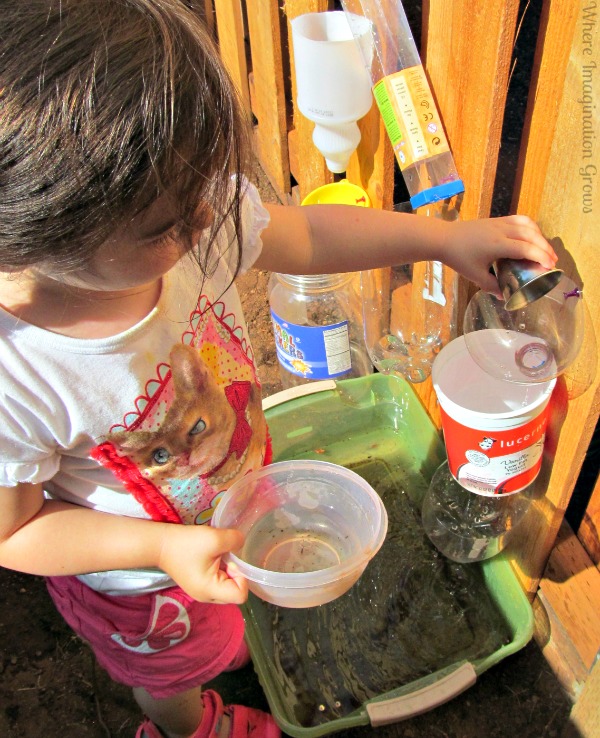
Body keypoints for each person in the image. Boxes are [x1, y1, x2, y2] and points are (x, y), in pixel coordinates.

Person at [0, 2, 557, 737]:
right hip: (142, 582)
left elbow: (311, 230)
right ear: (48, 236)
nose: (210, 218)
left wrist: (446, 240)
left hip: (231, 506)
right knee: (177, 666)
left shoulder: (187, 221)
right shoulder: (22, 376)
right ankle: (184, 725)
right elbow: (16, 532)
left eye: (207, 186)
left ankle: (223, 641)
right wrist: (164, 548)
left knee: (226, 630)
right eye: (170, 222)